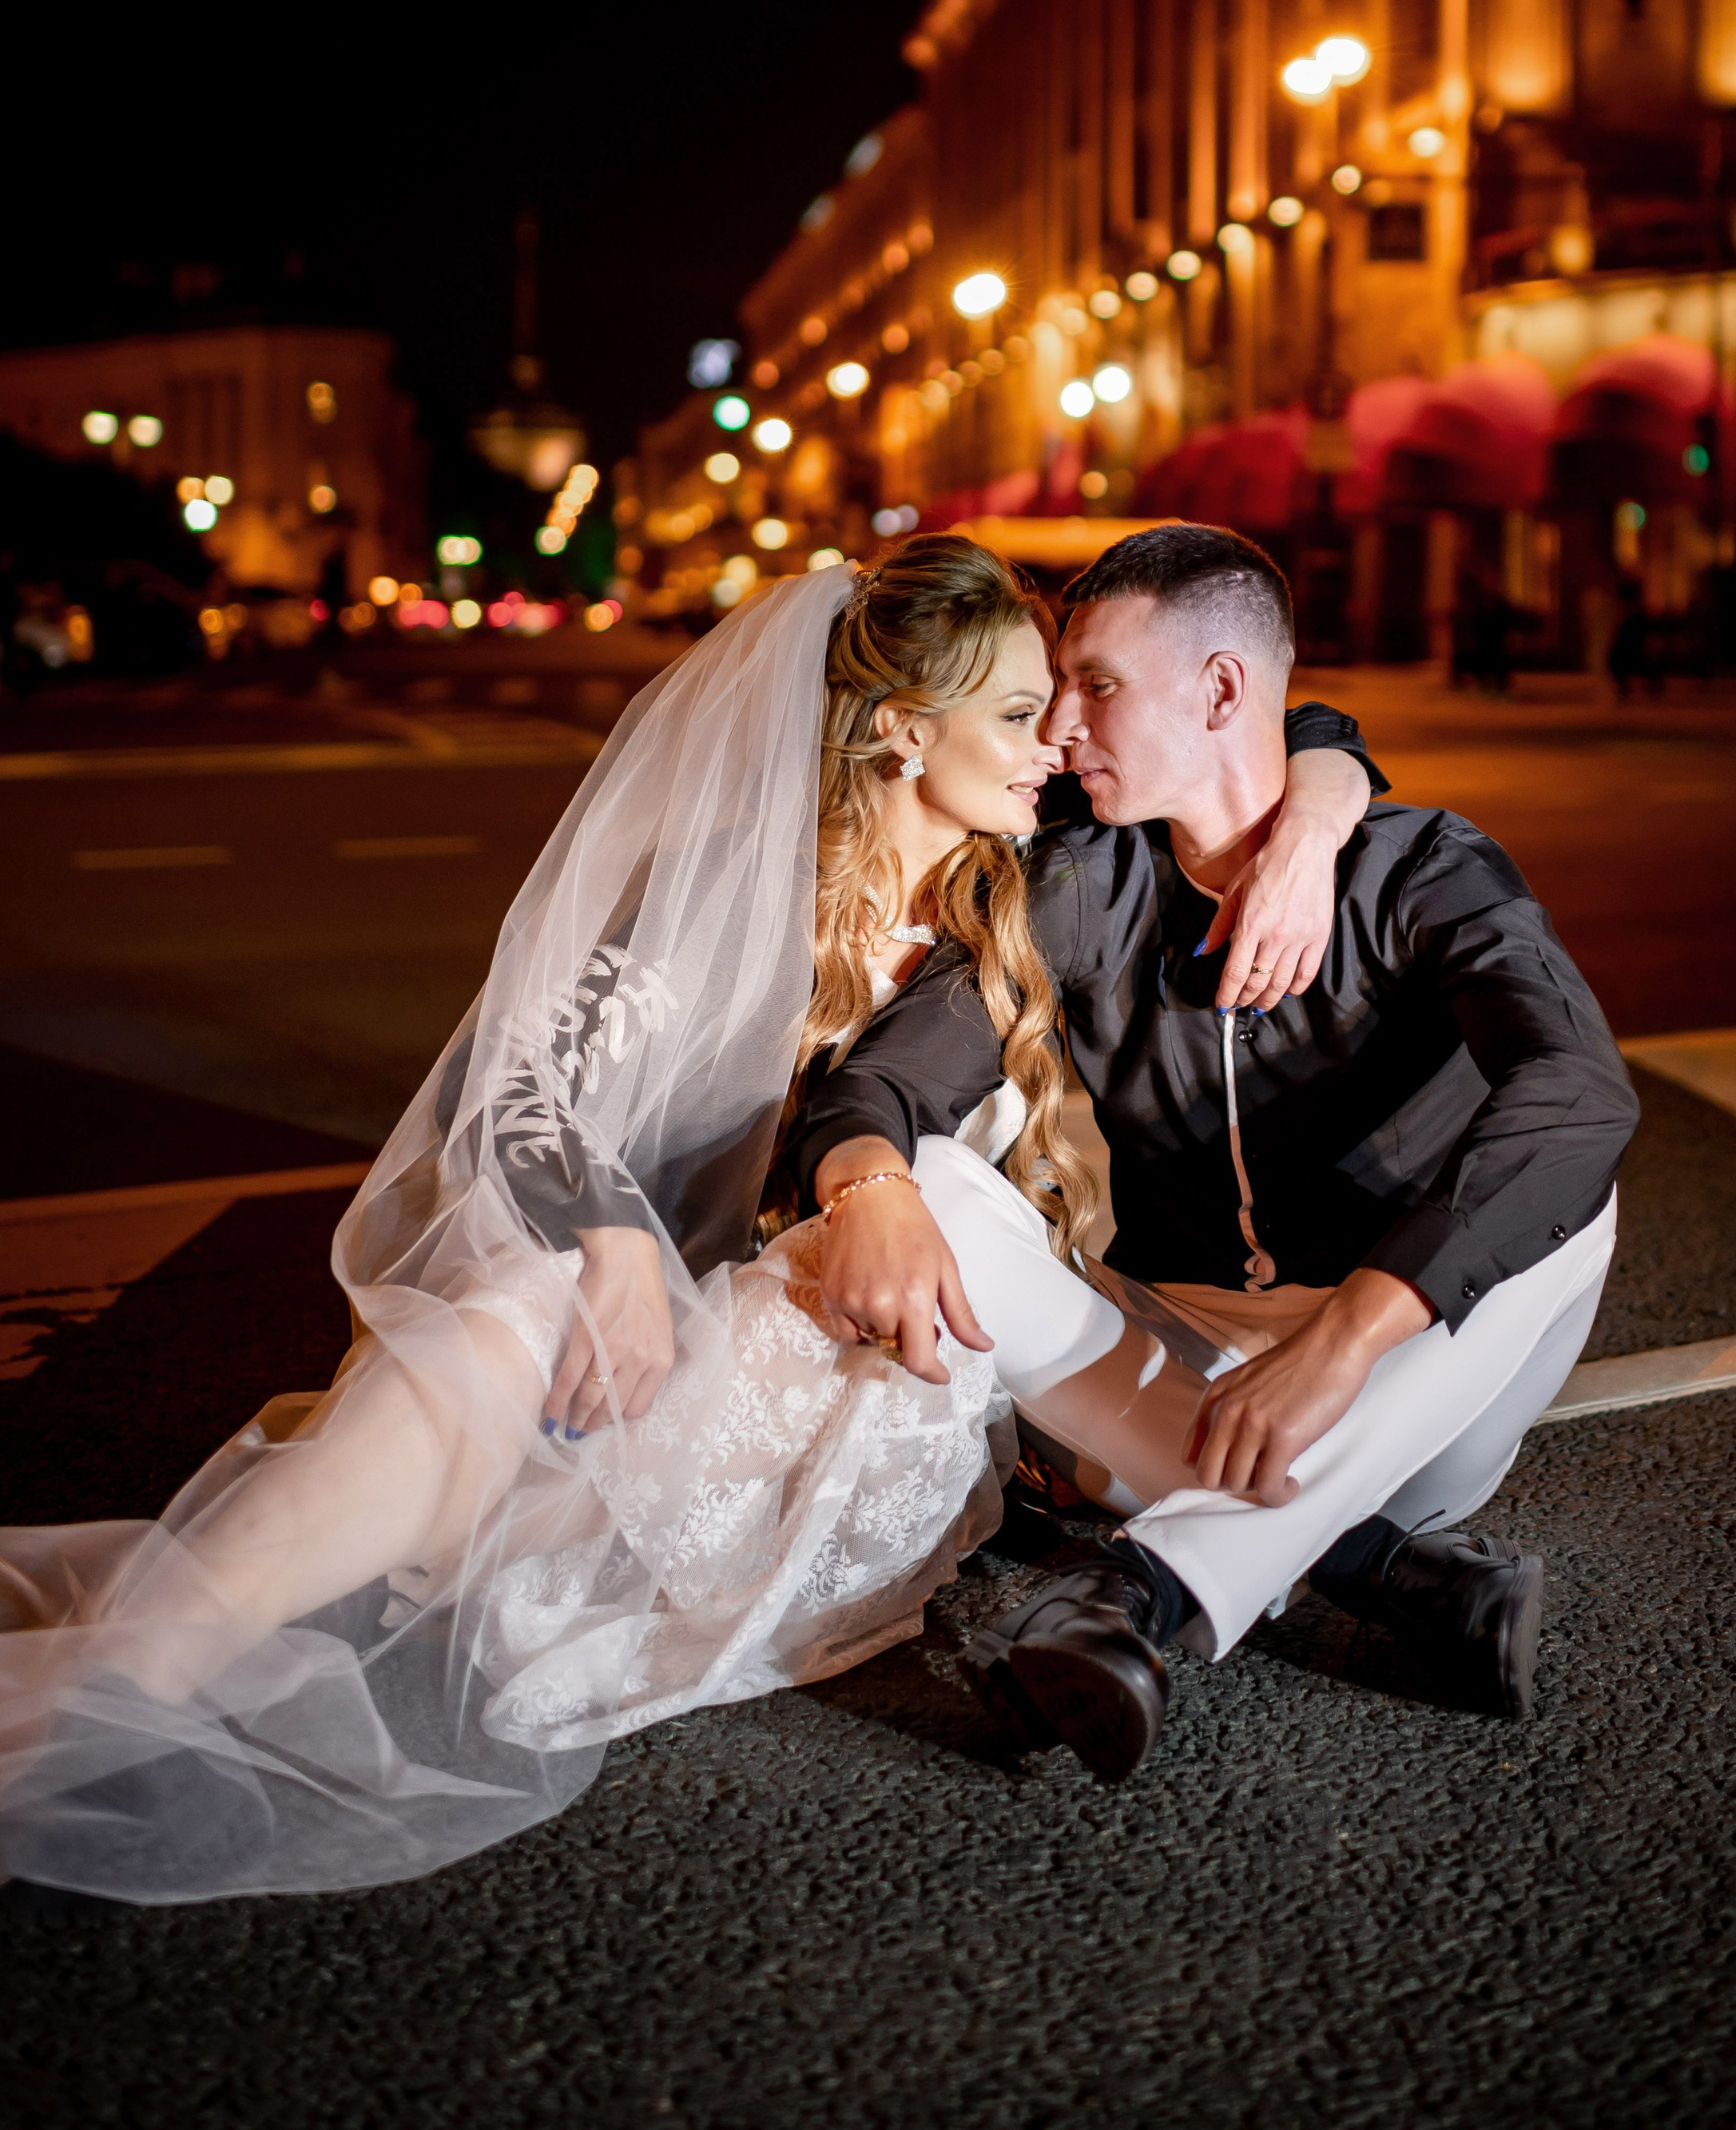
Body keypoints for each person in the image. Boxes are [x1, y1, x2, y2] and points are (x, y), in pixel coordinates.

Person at [0, 538, 1371, 1902]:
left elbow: (1282, 722)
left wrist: (1315, 817)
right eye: (1019, 713)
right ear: (903, 732)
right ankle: (120, 1679)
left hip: (857, 1366)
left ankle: (167, 1652)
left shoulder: (1044, 878)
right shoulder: (741, 885)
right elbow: (517, 1091)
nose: (1056, 744)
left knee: (556, 1361)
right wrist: (612, 1245)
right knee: (510, 1318)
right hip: (640, 1341)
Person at [794, 523, 1637, 1785]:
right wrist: (867, 1188)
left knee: (1565, 1175)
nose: (1061, 726)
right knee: (936, 1189)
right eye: (1056, 689)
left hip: (1407, 1380)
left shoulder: (1423, 868)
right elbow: (886, 1081)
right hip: (1176, 1366)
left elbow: (1579, 1091)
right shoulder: (1085, 878)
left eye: (1098, 685)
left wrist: (1347, 1340)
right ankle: (1381, 1572)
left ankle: (1147, 1588)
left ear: (1224, 689)